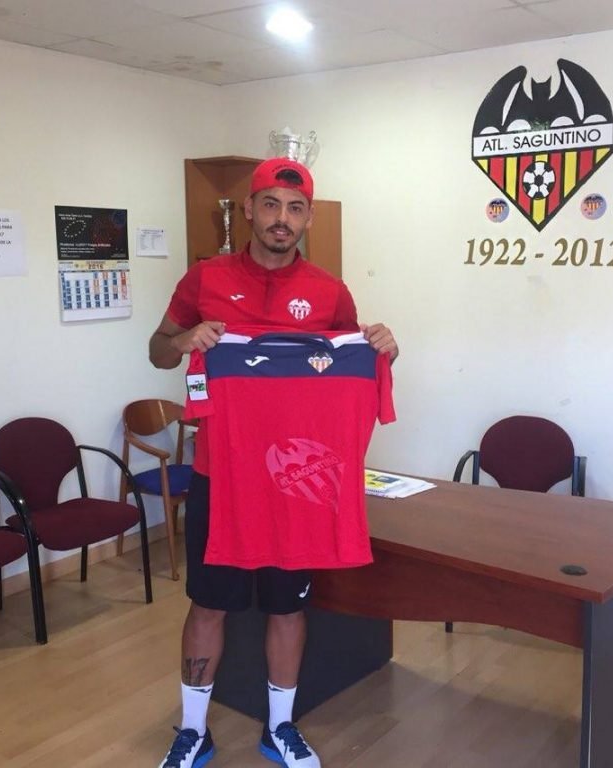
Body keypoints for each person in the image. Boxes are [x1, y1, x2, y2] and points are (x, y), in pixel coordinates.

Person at [150, 157, 398, 768]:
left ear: (308, 218)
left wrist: (383, 349)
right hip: (220, 479)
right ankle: (193, 730)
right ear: (249, 210)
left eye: (294, 209)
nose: (281, 219)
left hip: (293, 484)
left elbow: (351, 367)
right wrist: (182, 341)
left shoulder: (330, 292)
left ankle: (279, 728)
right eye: (270, 205)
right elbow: (158, 350)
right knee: (208, 604)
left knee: (288, 608)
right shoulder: (204, 279)